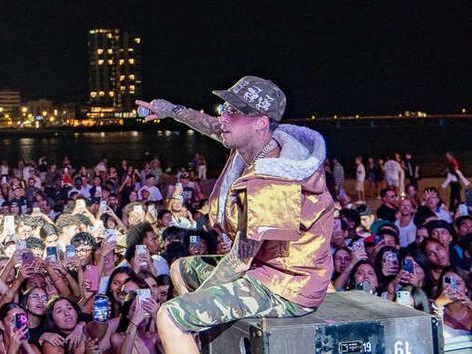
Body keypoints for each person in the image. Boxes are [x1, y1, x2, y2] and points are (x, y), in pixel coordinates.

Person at [138, 75, 334, 354]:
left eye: (235, 112)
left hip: (287, 286)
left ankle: (190, 334)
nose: (224, 118)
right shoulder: (254, 144)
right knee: (181, 267)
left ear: (261, 123)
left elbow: (240, 260)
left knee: (170, 316)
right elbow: (210, 126)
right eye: (225, 109)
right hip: (264, 268)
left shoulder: (273, 179)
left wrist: (196, 304)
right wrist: (170, 110)